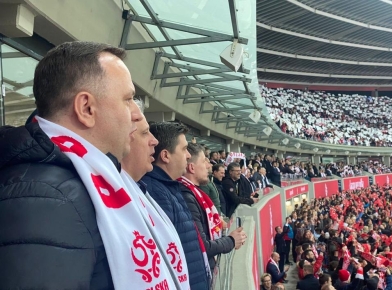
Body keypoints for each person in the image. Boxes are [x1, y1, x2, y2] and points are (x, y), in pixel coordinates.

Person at [0, 41, 188, 289]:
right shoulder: (47, 197)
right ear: (86, 108)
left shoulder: (81, 183)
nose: (135, 113)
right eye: (128, 99)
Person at [141, 122, 211, 290]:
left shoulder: (171, 187)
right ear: (166, 156)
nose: (188, 156)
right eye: (184, 149)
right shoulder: (157, 192)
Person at [179, 143, 246, 273]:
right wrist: (231, 240)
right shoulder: (187, 197)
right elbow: (201, 245)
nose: (209, 165)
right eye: (205, 161)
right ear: (192, 167)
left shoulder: (194, 193)